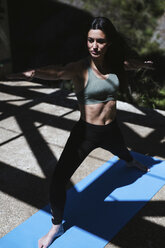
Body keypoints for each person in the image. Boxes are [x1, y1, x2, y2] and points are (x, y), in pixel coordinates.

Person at [8, 17, 152, 248]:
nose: (94, 46)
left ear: (109, 43)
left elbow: (130, 64)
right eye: (90, 40)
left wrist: (143, 65)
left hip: (111, 128)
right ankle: (56, 226)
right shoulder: (79, 68)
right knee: (57, 181)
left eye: (100, 41)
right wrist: (33, 73)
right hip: (86, 133)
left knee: (121, 149)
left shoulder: (115, 64)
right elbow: (55, 73)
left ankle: (129, 161)